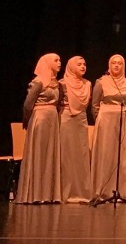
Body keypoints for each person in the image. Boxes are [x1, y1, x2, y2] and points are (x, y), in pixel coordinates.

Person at [16, 53, 63, 204]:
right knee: (39, 152)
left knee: (50, 153)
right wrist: (27, 121)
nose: (59, 63)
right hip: (40, 118)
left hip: (52, 119)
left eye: (60, 60)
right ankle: (36, 194)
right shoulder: (38, 82)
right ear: (47, 63)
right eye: (56, 60)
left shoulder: (57, 83)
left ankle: (48, 194)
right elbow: (28, 104)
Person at [91, 54, 126, 203]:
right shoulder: (101, 82)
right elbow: (95, 104)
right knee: (105, 153)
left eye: (120, 63)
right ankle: (102, 191)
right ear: (109, 65)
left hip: (122, 119)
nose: (116, 65)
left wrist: (122, 116)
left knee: (121, 155)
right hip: (105, 120)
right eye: (113, 63)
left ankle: (122, 191)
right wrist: (100, 120)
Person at [59, 55, 92, 203]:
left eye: (84, 64)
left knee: (81, 154)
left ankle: (82, 192)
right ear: (71, 66)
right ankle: (64, 192)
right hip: (66, 119)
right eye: (79, 64)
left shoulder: (88, 84)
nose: (83, 66)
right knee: (66, 155)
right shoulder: (62, 83)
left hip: (81, 120)